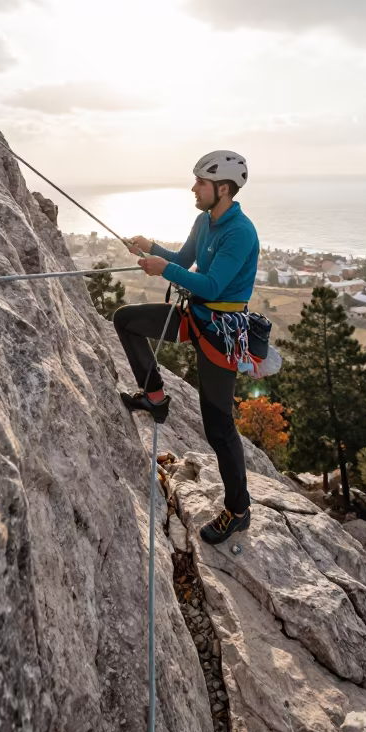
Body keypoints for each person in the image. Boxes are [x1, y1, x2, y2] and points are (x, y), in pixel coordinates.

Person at [113, 150, 259, 545]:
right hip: (194, 316)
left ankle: (239, 510)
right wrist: (152, 248)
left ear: (223, 189)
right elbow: (183, 260)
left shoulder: (240, 232)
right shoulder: (204, 219)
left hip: (220, 332)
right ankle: (156, 397)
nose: (194, 188)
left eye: (201, 183)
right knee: (125, 319)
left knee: (219, 426)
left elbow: (211, 285)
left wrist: (165, 269)